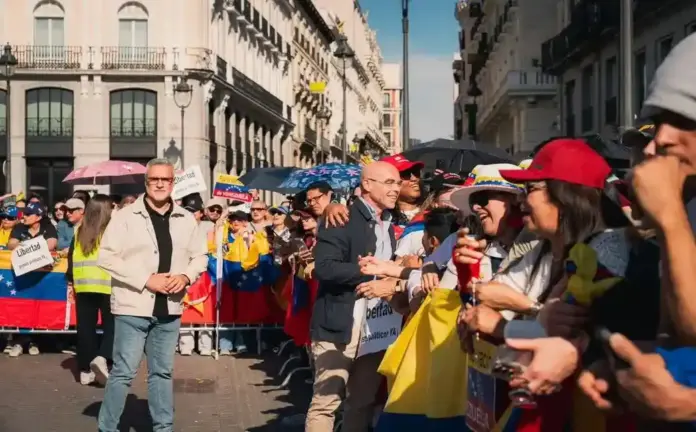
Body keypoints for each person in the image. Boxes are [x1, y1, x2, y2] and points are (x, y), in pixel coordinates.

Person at [96, 158, 208, 432]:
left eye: (165, 179)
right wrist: (147, 280)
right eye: (154, 179)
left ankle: (163, 428)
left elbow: (200, 256)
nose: (160, 184)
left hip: (169, 310)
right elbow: (106, 257)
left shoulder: (185, 218)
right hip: (132, 307)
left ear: (173, 183)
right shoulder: (124, 217)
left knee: (162, 373)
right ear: (146, 183)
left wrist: (185, 276)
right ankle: (107, 427)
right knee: (123, 373)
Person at [306, 161, 400, 432]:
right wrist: (370, 274)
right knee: (326, 403)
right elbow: (324, 267)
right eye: (389, 183)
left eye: (397, 183)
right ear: (367, 185)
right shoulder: (341, 217)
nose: (396, 189)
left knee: (362, 401)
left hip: (377, 326)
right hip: (340, 323)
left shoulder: (390, 220)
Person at [66, 195, 115, 386]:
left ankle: (85, 370)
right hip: (108, 285)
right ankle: (102, 358)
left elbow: (72, 258)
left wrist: (71, 283)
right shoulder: (111, 231)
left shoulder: (79, 231)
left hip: (84, 285)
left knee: (85, 328)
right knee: (112, 326)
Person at [178, 193, 213, 356]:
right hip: (184, 273)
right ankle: (186, 344)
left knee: (204, 312)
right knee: (186, 310)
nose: (191, 214)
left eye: (194, 211)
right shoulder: (178, 227)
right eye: (187, 210)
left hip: (204, 275)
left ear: (201, 213)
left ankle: (205, 344)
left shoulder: (209, 227)